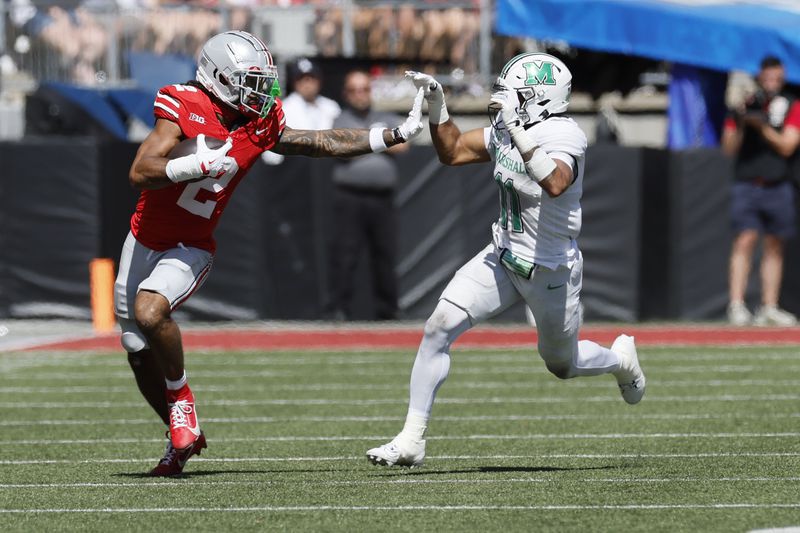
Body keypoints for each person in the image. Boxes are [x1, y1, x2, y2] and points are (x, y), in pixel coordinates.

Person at [114, 30, 424, 477]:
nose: (263, 93)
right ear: (218, 78)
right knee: (136, 347)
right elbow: (140, 171)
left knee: (149, 311)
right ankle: (181, 434)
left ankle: (182, 401)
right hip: (143, 237)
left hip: (192, 243)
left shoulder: (258, 122)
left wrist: (392, 134)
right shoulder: (182, 103)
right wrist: (193, 166)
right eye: (250, 81)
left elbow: (322, 142)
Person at [366, 54, 646, 467]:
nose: (503, 98)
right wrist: (438, 106)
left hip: (550, 267)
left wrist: (516, 129)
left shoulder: (565, 133)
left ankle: (621, 360)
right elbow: (454, 151)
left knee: (563, 365)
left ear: (540, 97)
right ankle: (411, 439)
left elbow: (555, 182)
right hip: (502, 254)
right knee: (437, 328)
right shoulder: (506, 126)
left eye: (515, 92)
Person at [326, 70, 411, 320]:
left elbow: (403, 144)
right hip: (349, 197)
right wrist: (381, 140)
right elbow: (341, 148)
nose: (360, 95)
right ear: (346, 94)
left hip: (382, 198)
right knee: (345, 254)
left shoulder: (384, 116)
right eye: (354, 90)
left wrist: (364, 141)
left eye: (364, 89)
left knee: (385, 254)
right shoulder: (340, 118)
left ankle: (388, 310)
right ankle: (339, 309)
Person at [722, 56, 800, 327]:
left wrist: (762, 127)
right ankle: (737, 305)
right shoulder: (745, 104)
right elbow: (728, 148)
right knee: (744, 240)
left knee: (774, 246)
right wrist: (744, 121)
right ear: (760, 76)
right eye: (767, 76)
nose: (771, 82)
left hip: (778, 184)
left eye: (776, 76)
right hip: (747, 183)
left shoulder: (791, 103)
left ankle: (769, 305)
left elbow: (788, 145)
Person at [261, 57, 341, 165]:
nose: (307, 83)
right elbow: (271, 157)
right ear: (294, 83)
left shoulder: (332, 107)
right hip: (296, 169)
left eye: (311, 78)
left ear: (319, 81)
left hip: (327, 167)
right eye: (302, 79)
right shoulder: (284, 108)